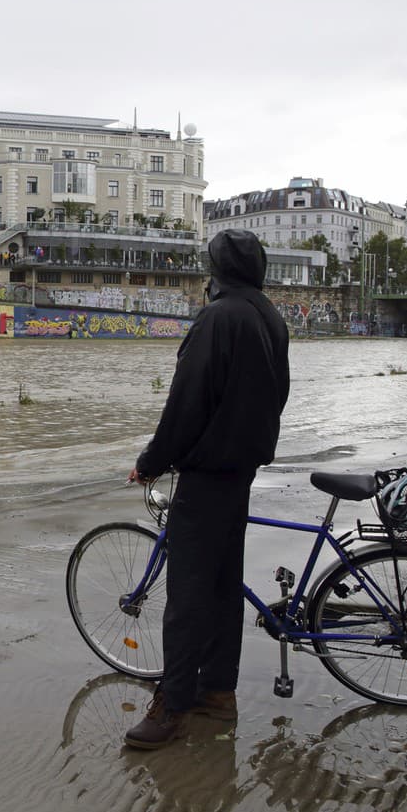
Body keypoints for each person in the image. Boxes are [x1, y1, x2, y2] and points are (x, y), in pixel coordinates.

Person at [124, 228, 290, 750]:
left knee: (188, 596)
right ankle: (218, 693)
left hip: (207, 473)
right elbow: (278, 393)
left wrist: (152, 461)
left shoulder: (218, 317)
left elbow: (186, 403)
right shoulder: (268, 315)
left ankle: (172, 705)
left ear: (214, 271)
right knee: (222, 588)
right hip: (240, 469)